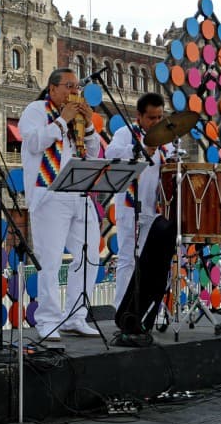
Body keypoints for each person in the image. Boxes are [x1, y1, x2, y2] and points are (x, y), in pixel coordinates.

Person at [20, 68, 103, 339]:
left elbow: (93, 153)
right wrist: (61, 121)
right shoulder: (36, 110)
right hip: (49, 193)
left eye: (76, 87)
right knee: (51, 260)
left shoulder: (77, 115)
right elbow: (33, 143)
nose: (74, 92)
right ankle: (47, 320)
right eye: (69, 86)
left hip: (79, 192)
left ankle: (75, 315)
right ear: (53, 88)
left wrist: (88, 125)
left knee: (90, 256)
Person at [104, 93, 173, 311]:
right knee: (127, 258)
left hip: (156, 206)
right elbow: (111, 154)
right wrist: (140, 148)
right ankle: (122, 309)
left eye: (160, 117)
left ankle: (151, 309)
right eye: (152, 118)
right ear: (139, 116)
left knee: (154, 260)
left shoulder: (167, 137)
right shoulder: (125, 133)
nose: (156, 122)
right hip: (129, 205)